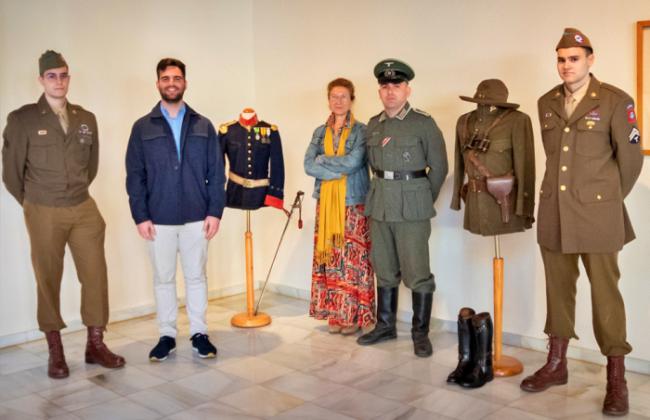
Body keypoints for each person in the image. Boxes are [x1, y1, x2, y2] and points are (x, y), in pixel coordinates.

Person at [520, 28, 643, 417]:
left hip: (598, 215)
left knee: (606, 293)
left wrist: (602, 199)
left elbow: (631, 161)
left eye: (573, 58)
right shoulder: (545, 103)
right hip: (555, 212)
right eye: (560, 58)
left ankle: (616, 379)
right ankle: (557, 365)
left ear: (590, 59)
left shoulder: (615, 101)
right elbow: (554, 158)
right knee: (558, 289)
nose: (566, 65)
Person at [2, 50, 125, 378]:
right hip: (43, 209)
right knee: (48, 279)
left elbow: (92, 165)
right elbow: (11, 173)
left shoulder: (86, 118)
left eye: (64, 74)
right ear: (41, 80)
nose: (59, 81)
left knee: (95, 275)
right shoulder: (22, 119)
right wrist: (33, 203)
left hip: (83, 206)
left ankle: (95, 343)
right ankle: (55, 350)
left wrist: (75, 191)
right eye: (52, 76)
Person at [125, 58, 225, 361]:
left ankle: (199, 333)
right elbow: (134, 175)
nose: (172, 82)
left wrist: (214, 212)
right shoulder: (142, 127)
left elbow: (217, 172)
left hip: (197, 216)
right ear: (157, 83)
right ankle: (167, 335)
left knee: (196, 278)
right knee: (163, 279)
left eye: (177, 78)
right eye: (166, 78)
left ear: (185, 82)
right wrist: (140, 215)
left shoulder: (203, 125)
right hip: (158, 219)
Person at [357, 59, 448, 357]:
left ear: (408, 89)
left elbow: (440, 169)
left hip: (413, 209)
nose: (391, 92)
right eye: (385, 86)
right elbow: (371, 167)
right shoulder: (373, 124)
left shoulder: (423, 123)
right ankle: (385, 326)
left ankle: (420, 334)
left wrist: (421, 199)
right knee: (383, 269)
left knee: (417, 272)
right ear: (379, 91)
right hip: (380, 205)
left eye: (397, 86)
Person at [304, 78, 375, 335]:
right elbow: (308, 165)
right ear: (328, 99)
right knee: (332, 258)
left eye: (343, 96)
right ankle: (336, 315)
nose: (338, 101)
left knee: (353, 261)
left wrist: (325, 163)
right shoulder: (319, 132)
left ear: (352, 99)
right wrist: (334, 169)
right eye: (334, 96)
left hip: (353, 202)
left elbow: (354, 163)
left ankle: (356, 316)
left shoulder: (362, 131)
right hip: (326, 203)